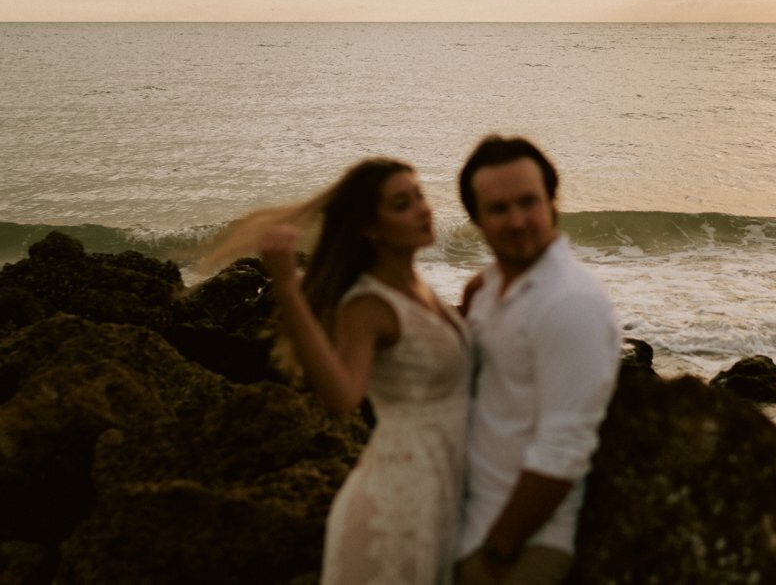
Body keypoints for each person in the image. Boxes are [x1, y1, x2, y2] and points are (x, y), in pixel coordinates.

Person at [200, 158, 472, 584]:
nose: (423, 209)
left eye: (419, 195)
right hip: (397, 503)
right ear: (370, 228)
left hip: (439, 488)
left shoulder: (420, 288)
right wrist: (289, 289)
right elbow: (343, 397)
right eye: (403, 204)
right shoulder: (368, 305)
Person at [453, 136, 622, 585]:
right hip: (467, 528)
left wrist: (497, 550)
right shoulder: (489, 290)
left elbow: (564, 448)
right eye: (499, 209)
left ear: (553, 203)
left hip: (522, 550)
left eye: (529, 202)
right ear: (477, 220)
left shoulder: (569, 303)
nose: (518, 221)